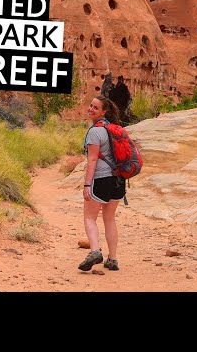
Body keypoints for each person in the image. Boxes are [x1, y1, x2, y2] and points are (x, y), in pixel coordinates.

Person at [78, 95, 126, 272]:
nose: (91, 109)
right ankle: (112, 259)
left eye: (95, 107)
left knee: (90, 217)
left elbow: (92, 160)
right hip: (118, 180)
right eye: (91, 105)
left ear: (104, 111)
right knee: (109, 218)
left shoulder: (95, 131)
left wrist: (86, 185)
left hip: (101, 180)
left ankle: (95, 251)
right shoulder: (114, 129)